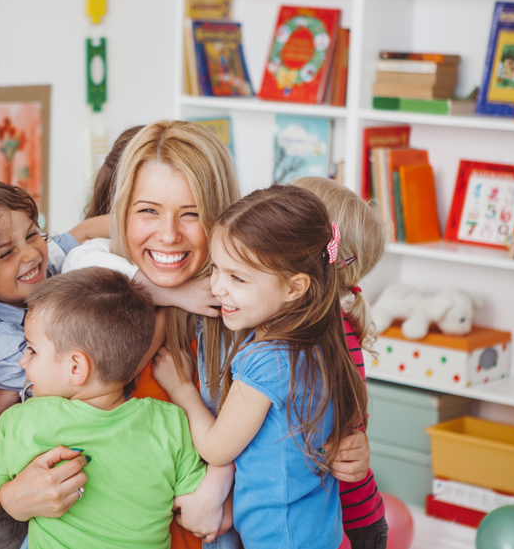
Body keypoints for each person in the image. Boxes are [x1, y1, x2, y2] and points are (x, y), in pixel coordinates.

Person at [63, 120, 372, 547]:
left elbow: (315, 426)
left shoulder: (252, 314)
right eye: (148, 210)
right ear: (122, 215)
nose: (168, 234)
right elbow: (72, 252)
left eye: (191, 214)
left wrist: (351, 448)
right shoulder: (85, 305)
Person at [151, 184, 370, 549]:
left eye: (237, 278)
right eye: (216, 269)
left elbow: (218, 449)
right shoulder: (322, 338)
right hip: (318, 532)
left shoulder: (267, 361)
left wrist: (182, 390)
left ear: (294, 288)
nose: (218, 288)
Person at [0, 267, 209, 549]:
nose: (23, 362)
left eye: (32, 350)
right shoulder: (171, 422)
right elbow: (195, 503)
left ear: (77, 367)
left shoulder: (24, 421)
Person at [0, 172, 107, 549]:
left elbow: (81, 232)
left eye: (33, 234)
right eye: (6, 253)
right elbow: (80, 372)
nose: (31, 254)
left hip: (41, 468)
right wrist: (170, 300)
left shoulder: (37, 270)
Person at [293, 176, 388, 549]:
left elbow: (350, 425)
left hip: (354, 522)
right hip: (353, 512)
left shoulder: (330, 332)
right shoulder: (328, 322)